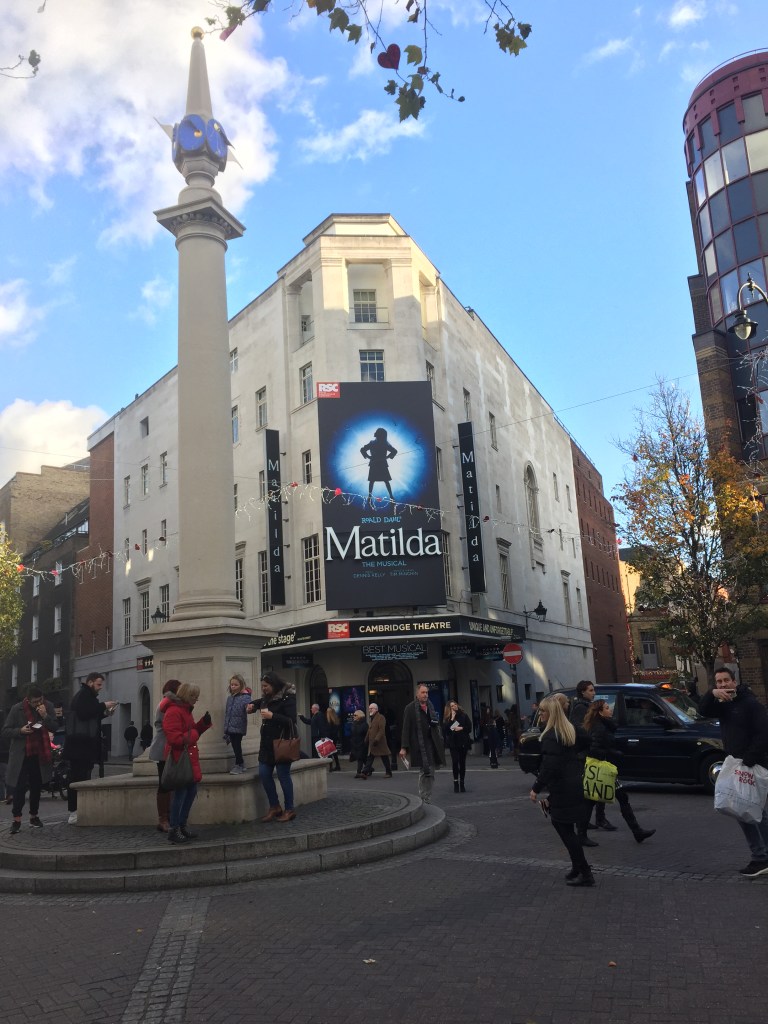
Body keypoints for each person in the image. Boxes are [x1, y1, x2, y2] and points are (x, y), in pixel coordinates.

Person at [699, 667, 768, 877]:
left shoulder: (750, 704)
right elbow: (702, 710)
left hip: (752, 764)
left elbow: (764, 733)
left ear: (734, 681)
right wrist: (711, 694)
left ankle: (762, 857)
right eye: (718, 682)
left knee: (755, 811)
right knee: (742, 810)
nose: (722, 685)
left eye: (725, 681)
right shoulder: (724, 706)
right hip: (737, 764)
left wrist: (749, 759)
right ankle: (760, 856)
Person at [529, 695, 595, 887]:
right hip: (573, 783)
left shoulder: (551, 736)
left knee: (565, 830)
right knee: (566, 829)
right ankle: (577, 867)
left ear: (551, 713)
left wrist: (536, 788)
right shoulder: (568, 730)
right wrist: (575, 759)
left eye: (542, 711)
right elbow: (586, 739)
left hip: (563, 787)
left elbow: (549, 766)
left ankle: (584, 871)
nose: (539, 713)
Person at [583, 700, 655, 844]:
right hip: (602, 769)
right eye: (607, 708)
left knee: (598, 800)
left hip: (604, 767)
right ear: (600, 712)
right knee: (613, 798)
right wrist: (613, 752)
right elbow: (594, 748)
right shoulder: (599, 727)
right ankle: (636, 831)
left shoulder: (604, 725)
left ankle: (637, 831)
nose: (610, 710)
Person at [63, 672, 117, 824]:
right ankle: (74, 810)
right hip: (79, 745)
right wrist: (103, 706)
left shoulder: (87, 696)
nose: (100, 688)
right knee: (77, 778)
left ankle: (79, 808)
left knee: (83, 776)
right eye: (98, 684)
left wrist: (105, 713)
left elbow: (90, 716)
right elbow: (84, 712)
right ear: (90, 682)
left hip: (82, 745)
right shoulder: (83, 695)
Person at [2, 687, 57, 834]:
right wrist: (20, 731)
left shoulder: (48, 706)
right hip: (21, 754)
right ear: (28, 700)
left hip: (39, 753)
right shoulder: (17, 709)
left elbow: (55, 726)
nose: (38, 704)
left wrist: (45, 716)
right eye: (35, 702)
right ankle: (17, 819)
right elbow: (6, 730)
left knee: (36, 787)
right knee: (19, 788)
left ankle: (34, 816)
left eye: (40, 700)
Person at [162, 682, 212, 844]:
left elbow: (190, 731)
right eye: (193, 696)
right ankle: (174, 828)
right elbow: (175, 739)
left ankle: (181, 825)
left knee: (190, 793)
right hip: (180, 759)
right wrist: (196, 733)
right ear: (185, 695)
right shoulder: (173, 711)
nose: (196, 700)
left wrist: (203, 724)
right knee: (180, 795)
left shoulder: (184, 710)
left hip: (188, 758)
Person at [247, 671, 298, 823]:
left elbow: (291, 720)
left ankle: (289, 809)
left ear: (274, 685)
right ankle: (274, 806)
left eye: (266, 686)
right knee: (264, 774)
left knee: (283, 776)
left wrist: (272, 716)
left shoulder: (287, 698)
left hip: (281, 743)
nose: (263, 688)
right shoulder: (267, 698)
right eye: (262, 686)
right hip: (267, 744)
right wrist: (252, 706)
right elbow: (260, 702)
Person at [569, 680, 613, 843]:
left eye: (593, 690)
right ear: (582, 692)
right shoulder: (581, 708)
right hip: (587, 754)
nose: (593, 693)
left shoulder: (587, 706)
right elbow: (581, 728)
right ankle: (587, 823)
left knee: (596, 790)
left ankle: (593, 820)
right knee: (592, 791)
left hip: (592, 752)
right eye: (591, 690)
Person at [399, 683, 444, 804]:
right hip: (419, 744)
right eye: (423, 692)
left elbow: (435, 723)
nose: (425, 695)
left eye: (427, 693)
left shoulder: (430, 705)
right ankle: (424, 796)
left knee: (431, 770)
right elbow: (406, 728)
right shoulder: (410, 708)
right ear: (417, 694)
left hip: (432, 743)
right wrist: (404, 747)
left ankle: (426, 796)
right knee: (425, 770)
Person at [148, 679, 181, 833]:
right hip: (164, 747)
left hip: (168, 746)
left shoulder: (170, 702)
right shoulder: (167, 703)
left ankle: (168, 816)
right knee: (165, 783)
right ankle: (163, 818)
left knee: (169, 782)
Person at [360, 427, 397, 507]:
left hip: (380, 463)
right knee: (374, 481)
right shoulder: (376, 443)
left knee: (382, 481)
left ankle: (390, 495)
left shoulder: (383, 443)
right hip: (376, 463)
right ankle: (370, 496)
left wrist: (386, 457)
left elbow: (394, 451)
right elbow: (362, 449)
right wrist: (369, 457)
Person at [223, 673, 252, 774]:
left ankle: (238, 764)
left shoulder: (245, 697)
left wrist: (249, 708)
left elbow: (248, 707)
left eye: (236, 685)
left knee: (236, 745)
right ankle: (241, 764)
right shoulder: (230, 698)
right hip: (230, 726)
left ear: (241, 685)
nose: (233, 687)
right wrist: (226, 727)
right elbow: (227, 713)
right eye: (232, 685)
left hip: (239, 726)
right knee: (235, 746)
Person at [443, 699, 472, 793]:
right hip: (453, 743)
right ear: (449, 708)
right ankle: (456, 782)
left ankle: (462, 782)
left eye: (455, 705)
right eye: (452, 706)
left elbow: (469, 728)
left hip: (463, 742)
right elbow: (446, 731)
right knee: (455, 761)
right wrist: (452, 719)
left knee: (462, 762)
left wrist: (461, 728)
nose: (454, 707)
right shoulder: (448, 718)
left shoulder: (463, 715)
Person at [362, 703, 392, 778]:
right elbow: (370, 730)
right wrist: (366, 739)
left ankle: (389, 772)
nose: (369, 710)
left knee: (384, 757)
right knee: (370, 757)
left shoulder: (381, 717)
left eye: (371, 708)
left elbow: (381, 730)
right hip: (373, 743)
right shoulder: (371, 718)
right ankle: (365, 772)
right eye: (369, 708)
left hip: (380, 742)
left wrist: (376, 739)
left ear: (376, 709)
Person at [350, 709, 368, 778]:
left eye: (355, 715)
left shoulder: (364, 724)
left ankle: (358, 772)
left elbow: (367, 734)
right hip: (355, 744)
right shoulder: (354, 723)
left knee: (360, 758)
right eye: (353, 715)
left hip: (362, 743)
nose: (353, 716)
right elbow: (352, 733)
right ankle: (369, 768)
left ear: (360, 716)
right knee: (362, 758)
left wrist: (365, 742)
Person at [324, 706, 342, 772]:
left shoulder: (329, 721)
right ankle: (337, 765)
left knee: (330, 753)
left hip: (330, 738)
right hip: (334, 738)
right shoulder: (336, 720)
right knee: (334, 752)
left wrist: (326, 737)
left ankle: (331, 767)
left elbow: (328, 731)